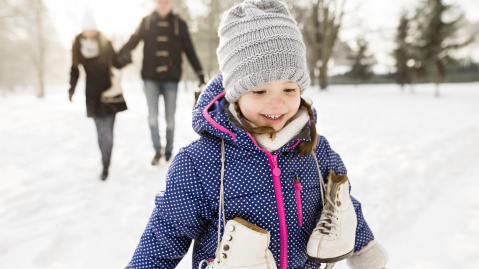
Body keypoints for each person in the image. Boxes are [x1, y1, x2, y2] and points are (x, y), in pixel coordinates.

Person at [125, 0, 388, 268]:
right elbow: (165, 235)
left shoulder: (315, 149)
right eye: (260, 91)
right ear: (235, 95)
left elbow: (341, 202)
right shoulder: (200, 163)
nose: (277, 104)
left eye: (289, 90)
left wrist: (363, 245)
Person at [118, 0, 206, 165]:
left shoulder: (179, 24)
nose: (163, 4)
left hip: (171, 79)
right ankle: (157, 150)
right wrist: (121, 53)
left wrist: (199, 72)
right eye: (160, 1)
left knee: (170, 117)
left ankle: (168, 150)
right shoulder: (147, 21)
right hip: (150, 77)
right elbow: (133, 40)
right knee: (152, 116)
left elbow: (189, 49)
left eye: (167, 1)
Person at [68, 8, 128, 181]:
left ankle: (106, 160)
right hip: (92, 94)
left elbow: (116, 62)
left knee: (108, 132)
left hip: (110, 93)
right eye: (86, 29)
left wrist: (125, 57)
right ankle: (105, 162)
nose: (89, 32)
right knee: (100, 132)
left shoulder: (104, 41)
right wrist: (71, 89)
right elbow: (74, 69)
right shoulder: (77, 45)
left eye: (92, 28)